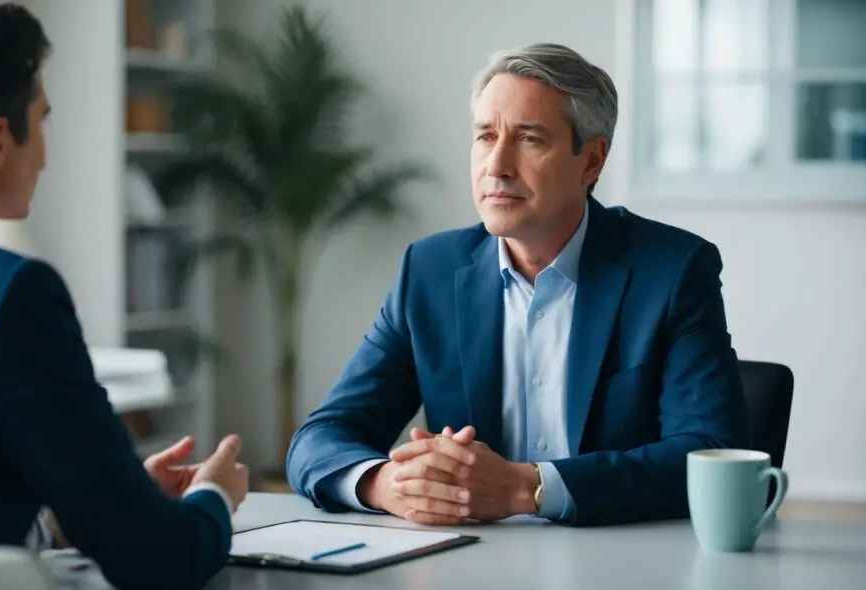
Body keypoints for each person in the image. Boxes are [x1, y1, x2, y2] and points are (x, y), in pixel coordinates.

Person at [0, 1, 247, 588]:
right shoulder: (10, 295)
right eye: (44, 118)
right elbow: (160, 560)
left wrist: (97, 507)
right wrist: (214, 495)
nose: (45, 153)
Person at [286, 42, 752, 527]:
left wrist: (527, 487)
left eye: (529, 139)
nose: (497, 166)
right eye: (486, 137)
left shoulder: (672, 270)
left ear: (591, 161)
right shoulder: (430, 271)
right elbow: (321, 437)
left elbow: (711, 453)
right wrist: (387, 484)